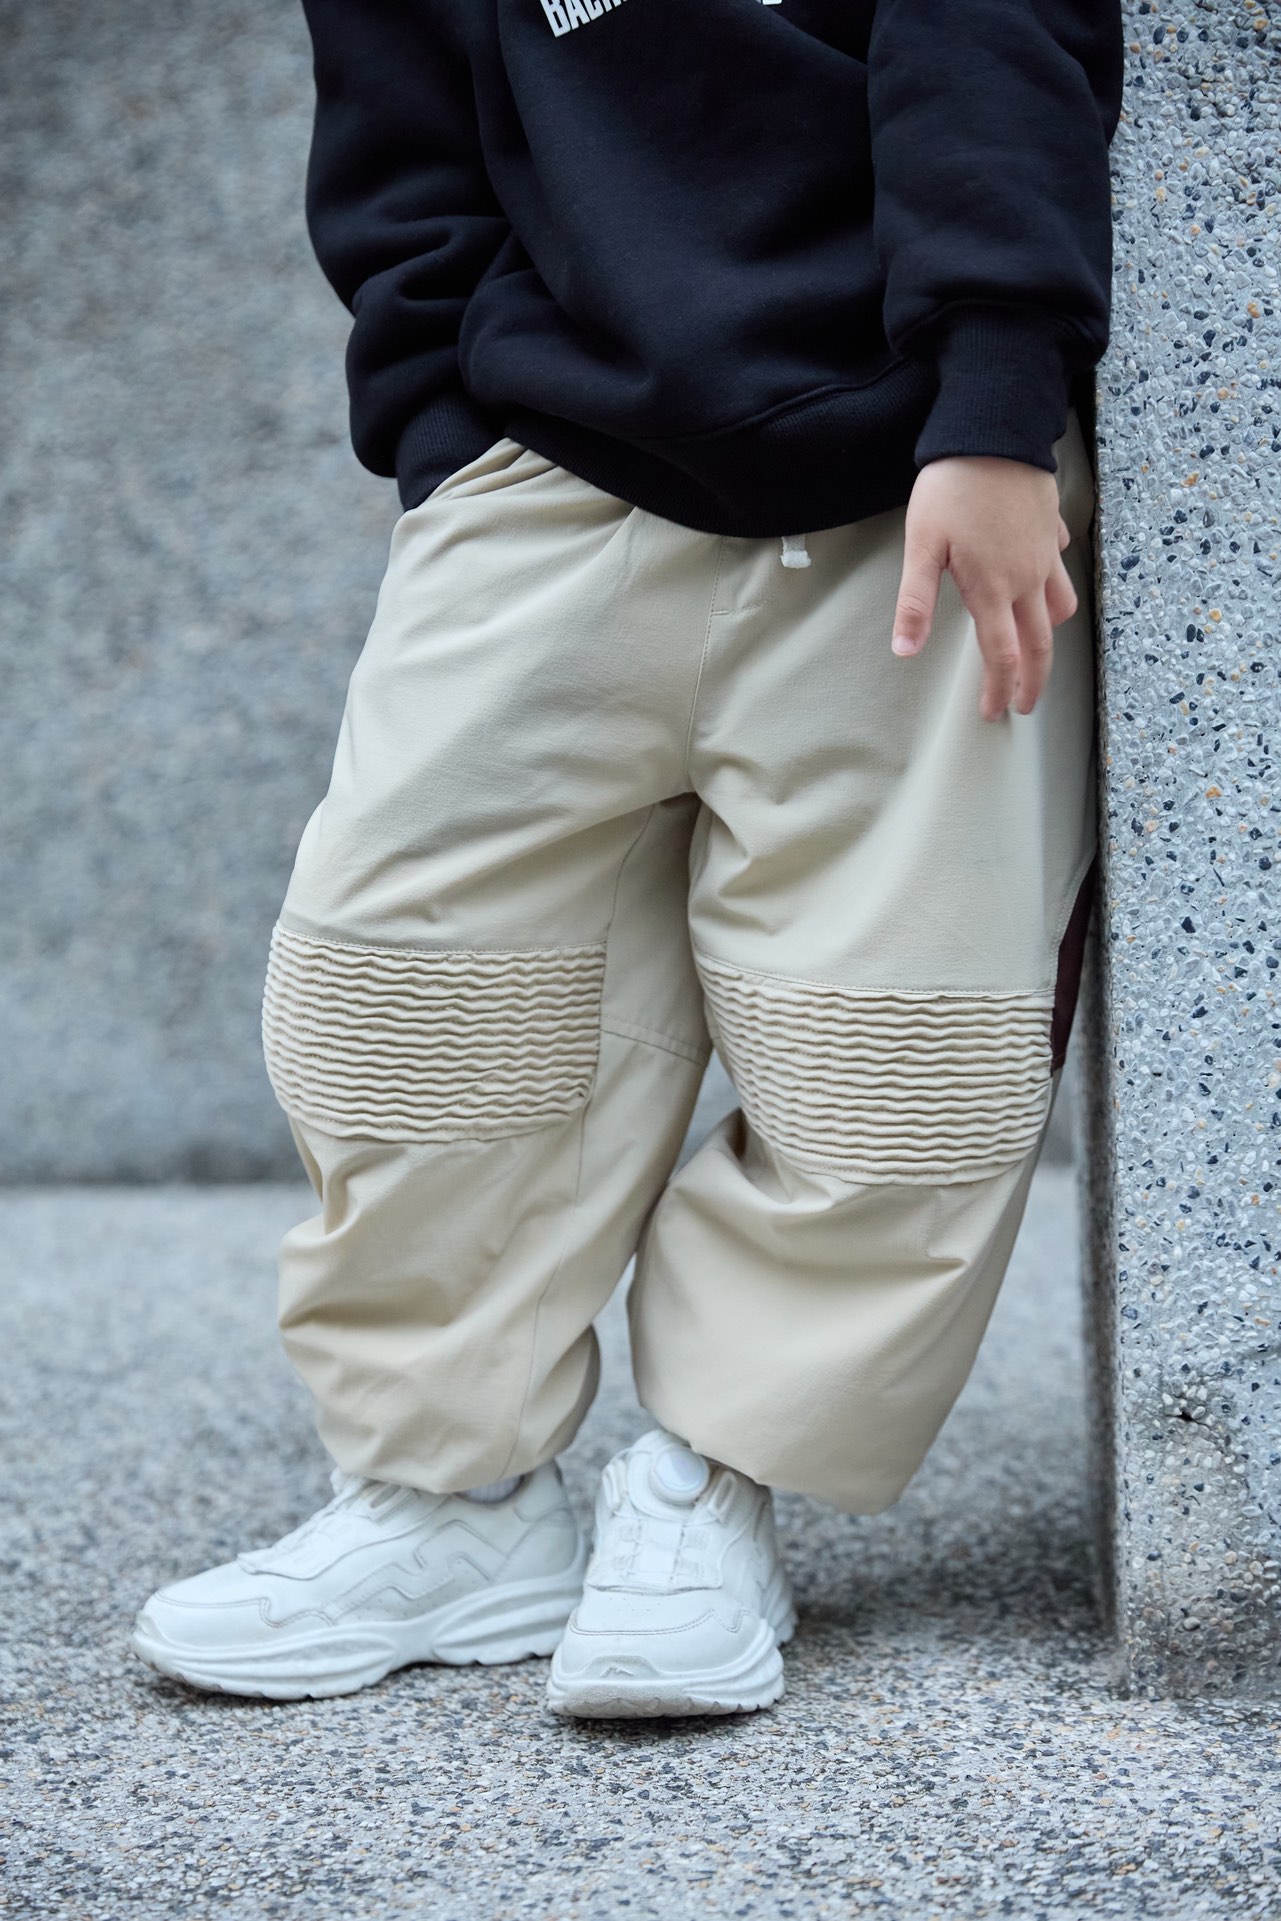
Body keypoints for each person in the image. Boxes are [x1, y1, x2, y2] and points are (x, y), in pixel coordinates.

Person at [132, 0, 1124, 1718]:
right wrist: (444, 439)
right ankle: (448, 1500)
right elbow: (396, 127)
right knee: (406, 991)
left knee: (894, 1042)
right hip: (547, 454)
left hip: (919, 473)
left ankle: (707, 1487)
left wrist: (992, 403)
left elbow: (991, 26)